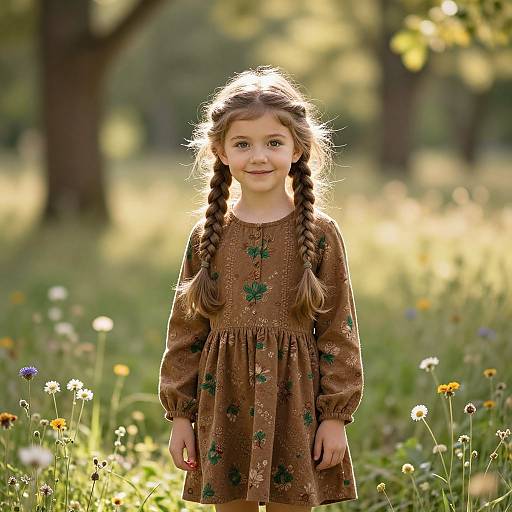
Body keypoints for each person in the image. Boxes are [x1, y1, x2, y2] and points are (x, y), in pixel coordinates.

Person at [158, 65, 364, 512]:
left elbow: (338, 331)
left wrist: (335, 417)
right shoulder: (207, 235)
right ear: (220, 149)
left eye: (274, 142)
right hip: (223, 401)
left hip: (297, 408)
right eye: (242, 144)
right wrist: (180, 416)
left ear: (298, 147)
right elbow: (185, 331)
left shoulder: (321, 235)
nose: (258, 156)